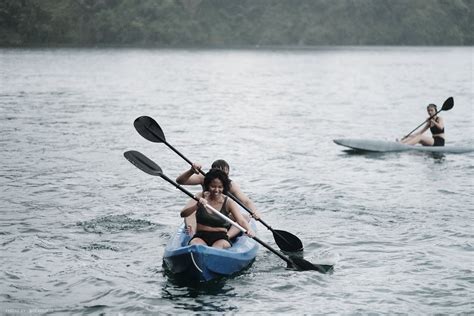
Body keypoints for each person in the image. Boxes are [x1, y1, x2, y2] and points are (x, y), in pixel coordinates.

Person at [176, 159, 261, 238]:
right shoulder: (204, 178)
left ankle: (227, 236)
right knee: (191, 212)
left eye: (224, 175)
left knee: (245, 218)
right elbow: (180, 181)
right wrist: (191, 171)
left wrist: (255, 211)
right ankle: (192, 235)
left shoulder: (230, 185)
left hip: (222, 216)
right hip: (204, 214)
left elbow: (245, 201)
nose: (220, 177)